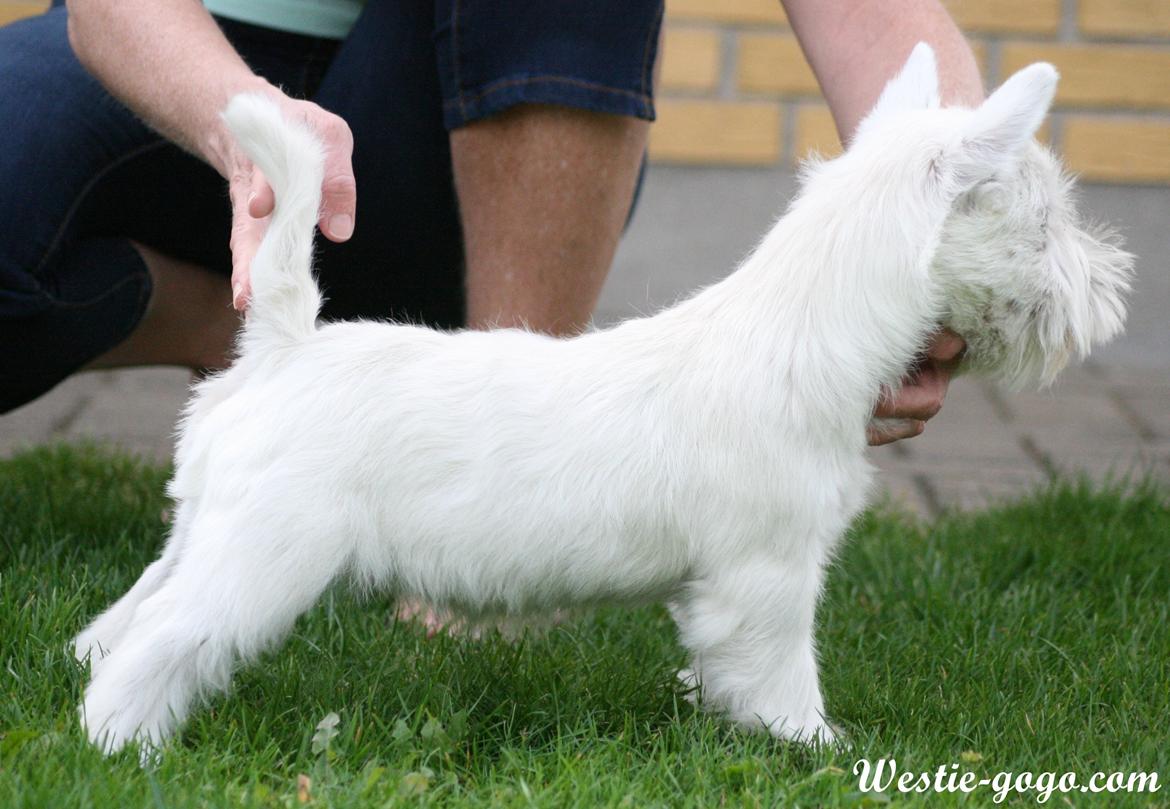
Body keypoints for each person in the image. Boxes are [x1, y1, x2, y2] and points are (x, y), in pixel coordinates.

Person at [0, 0, 975, 445]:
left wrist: (932, 244)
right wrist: (248, 134)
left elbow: (884, 21)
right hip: (187, 65)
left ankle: (512, 450)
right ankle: (220, 324)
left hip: (461, 129)